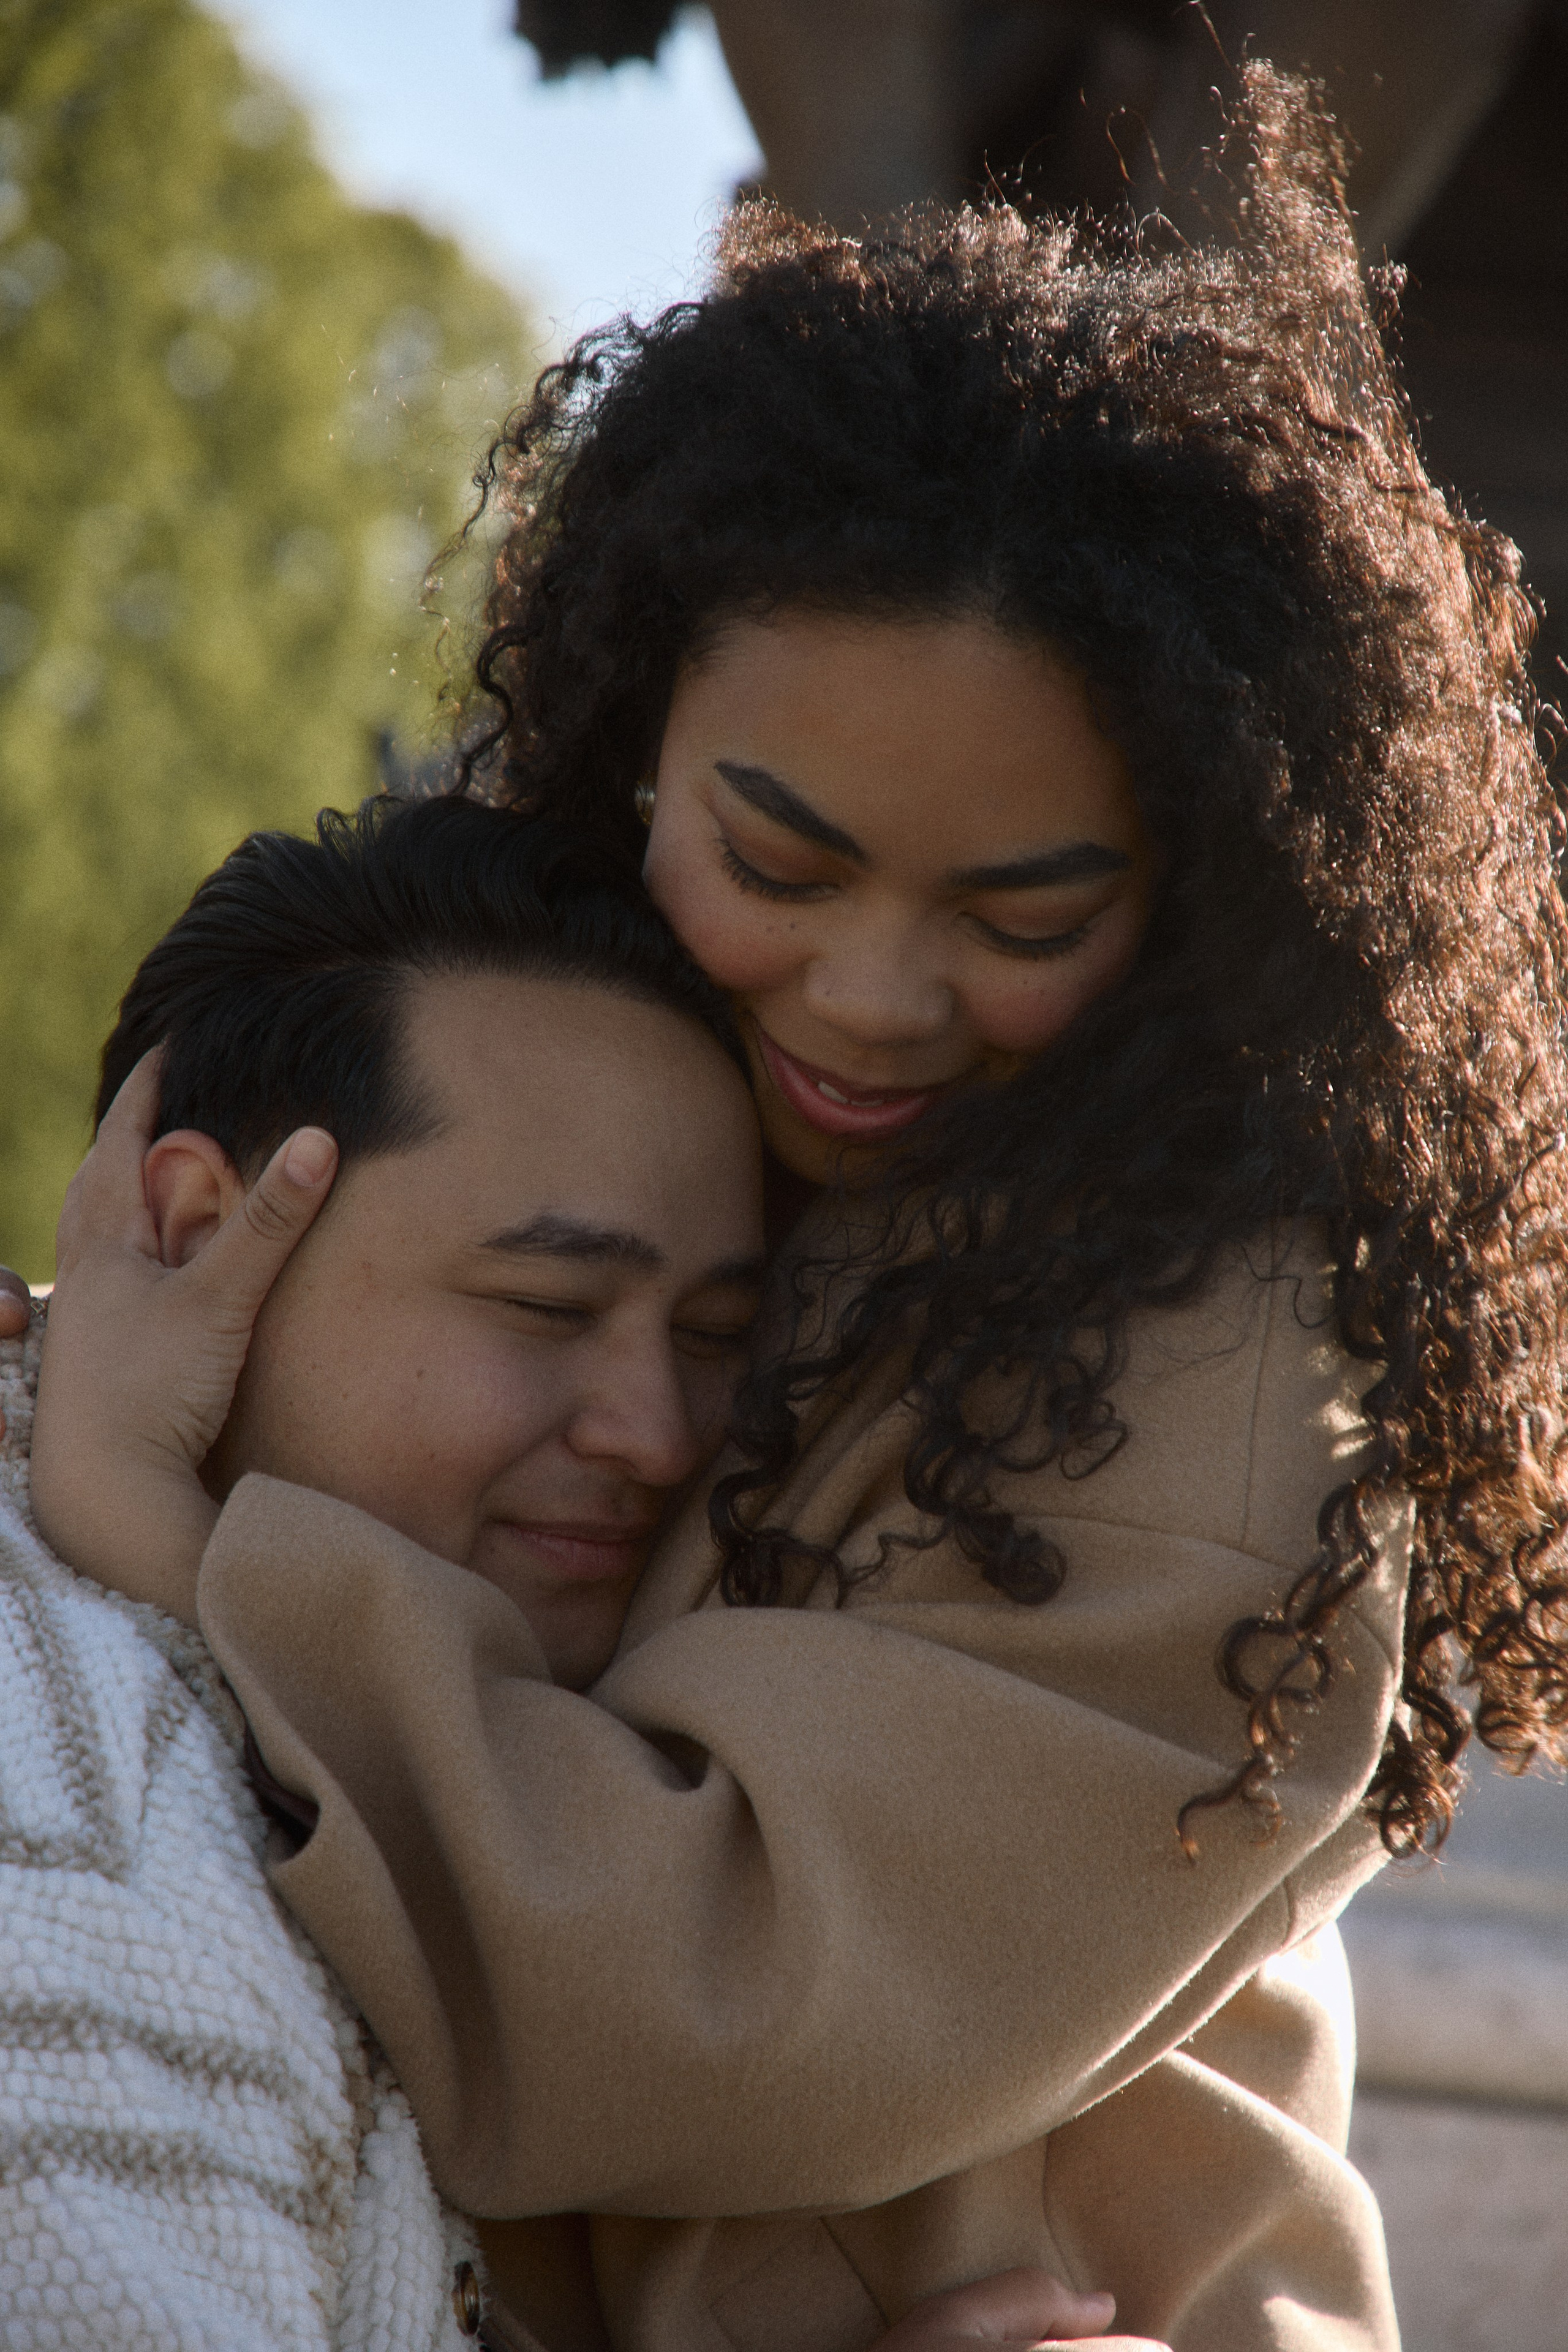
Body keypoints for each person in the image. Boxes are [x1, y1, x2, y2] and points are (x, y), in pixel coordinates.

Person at [24, 60, 1568, 2352]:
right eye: (777, 857)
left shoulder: (1231, 1367)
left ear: (1207, 903)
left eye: (1023, 913)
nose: (868, 995)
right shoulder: (669, 1074)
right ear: (636, 736)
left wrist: (182, 1543)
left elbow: (688, 1999)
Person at [6, 793, 1149, 2352]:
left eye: (711, 1338)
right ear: (197, 1225)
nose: (659, 1434)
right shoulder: (68, 1815)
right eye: (546, 1306)